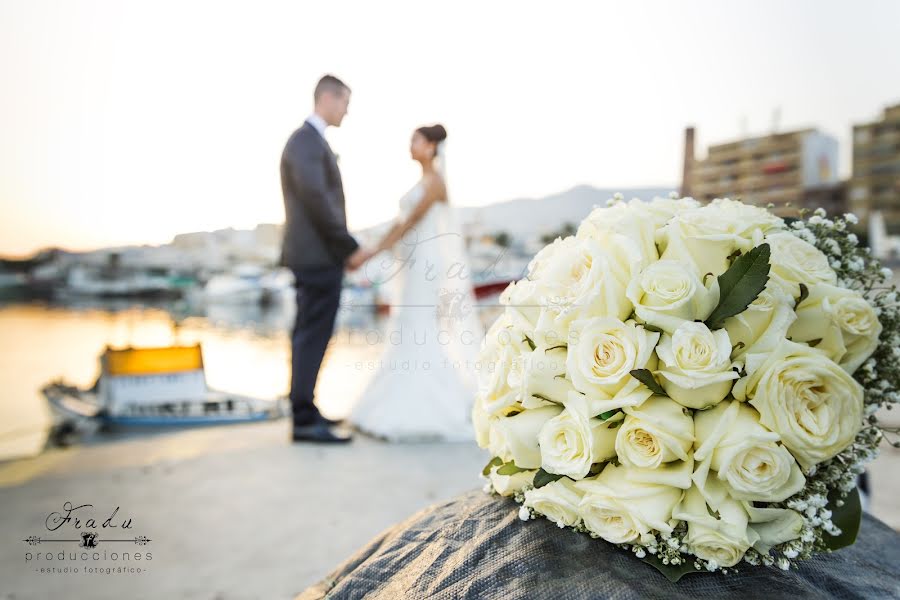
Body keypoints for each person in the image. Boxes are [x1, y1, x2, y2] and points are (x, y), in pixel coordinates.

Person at [348, 124, 484, 441]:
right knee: (407, 326)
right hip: (411, 263)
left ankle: (432, 406)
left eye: (416, 140)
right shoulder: (424, 181)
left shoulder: (436, 182)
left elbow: (409, 223)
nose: (410, 145)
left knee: (421, 327)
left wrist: (373, 251)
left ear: (431, 146)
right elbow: (402, 224)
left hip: (425, 264)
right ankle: (397, 397)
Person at [280, 74, 374, 444]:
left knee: (311, 335)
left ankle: (307, 408)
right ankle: (303, 420)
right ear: (328, 99)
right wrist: (348, 246)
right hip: (316, 257)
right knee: (310, 336)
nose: (347, 112)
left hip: (316, 256)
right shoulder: (306, 141)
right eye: (345, 103)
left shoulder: (309, 141)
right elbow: (317, 200)